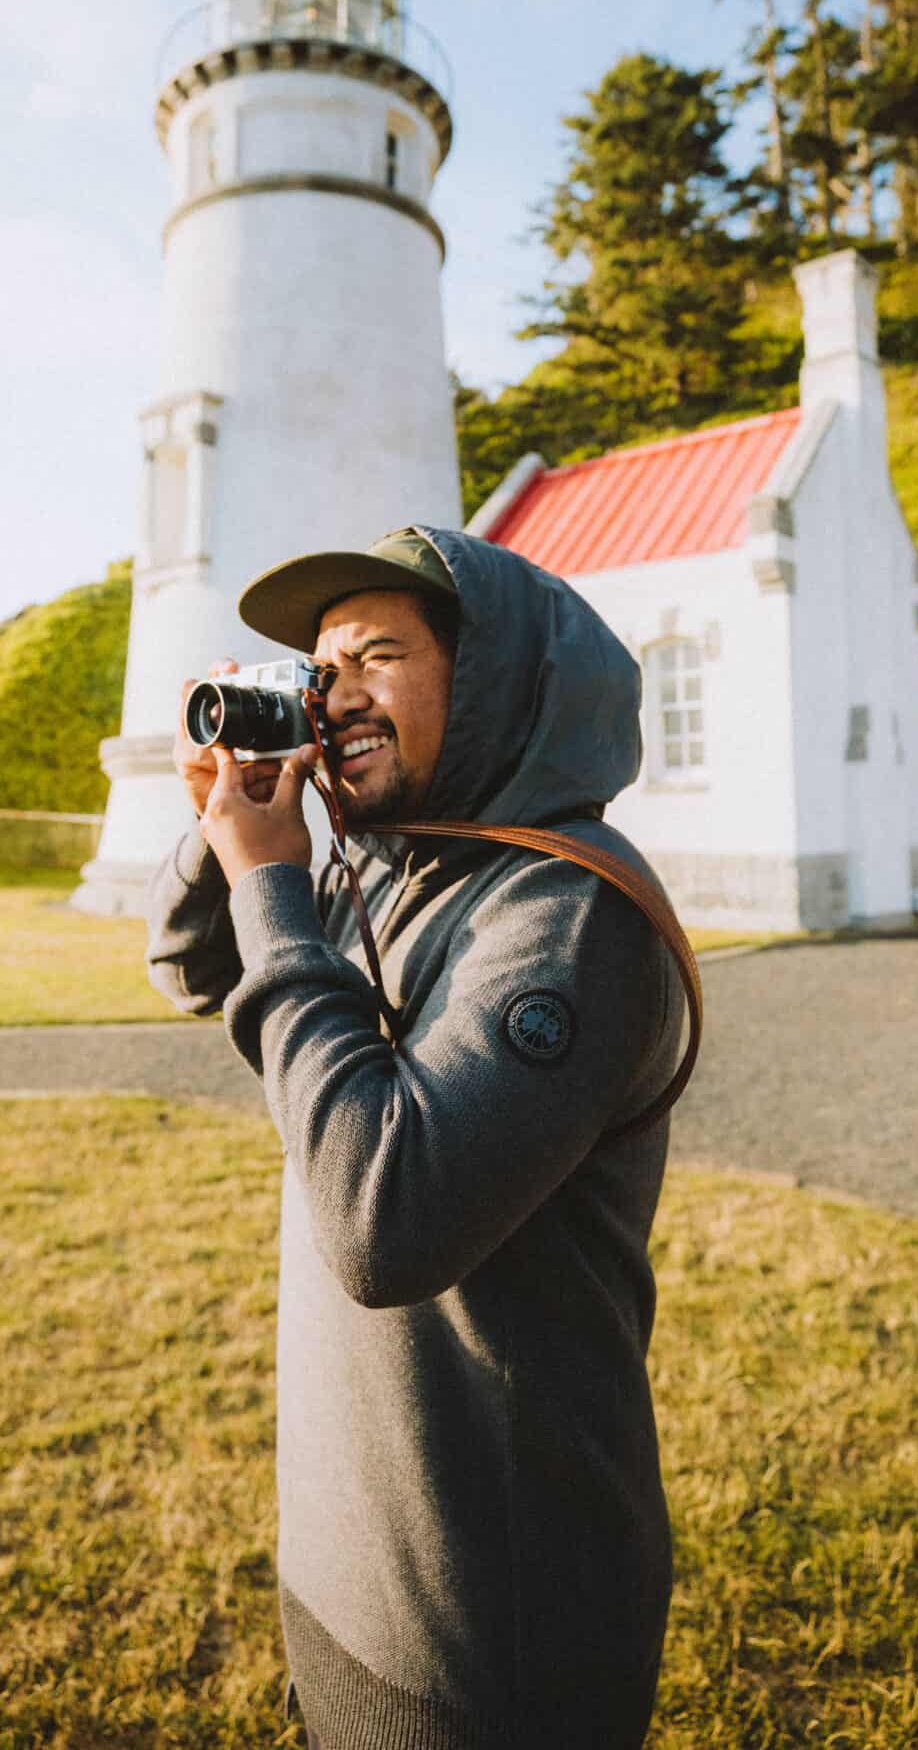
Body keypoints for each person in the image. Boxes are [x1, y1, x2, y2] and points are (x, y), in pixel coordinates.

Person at [146, 525, 685, 1750]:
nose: (332, 694)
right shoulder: (397, 869)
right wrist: (227, 826)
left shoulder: (567, 910)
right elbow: (186, 966)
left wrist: (279, 888)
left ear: (493, 684)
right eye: (320, 668)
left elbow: (386, 1225)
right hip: (354, 1549)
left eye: (376, 657)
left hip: (485, 1617)